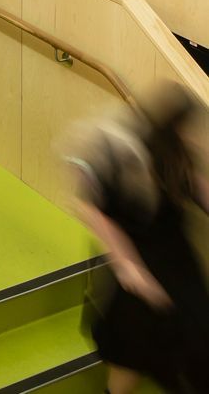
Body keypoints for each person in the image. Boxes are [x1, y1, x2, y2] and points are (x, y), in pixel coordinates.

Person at [69, 83, 209, 393]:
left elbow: (195, 187)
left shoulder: (179, 152)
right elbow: (93, 209)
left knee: (194, 333)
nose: (194, 135)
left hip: (174, 258)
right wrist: (127, 265)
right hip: (140, 261)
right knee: (131, 352)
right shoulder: (129, 154)